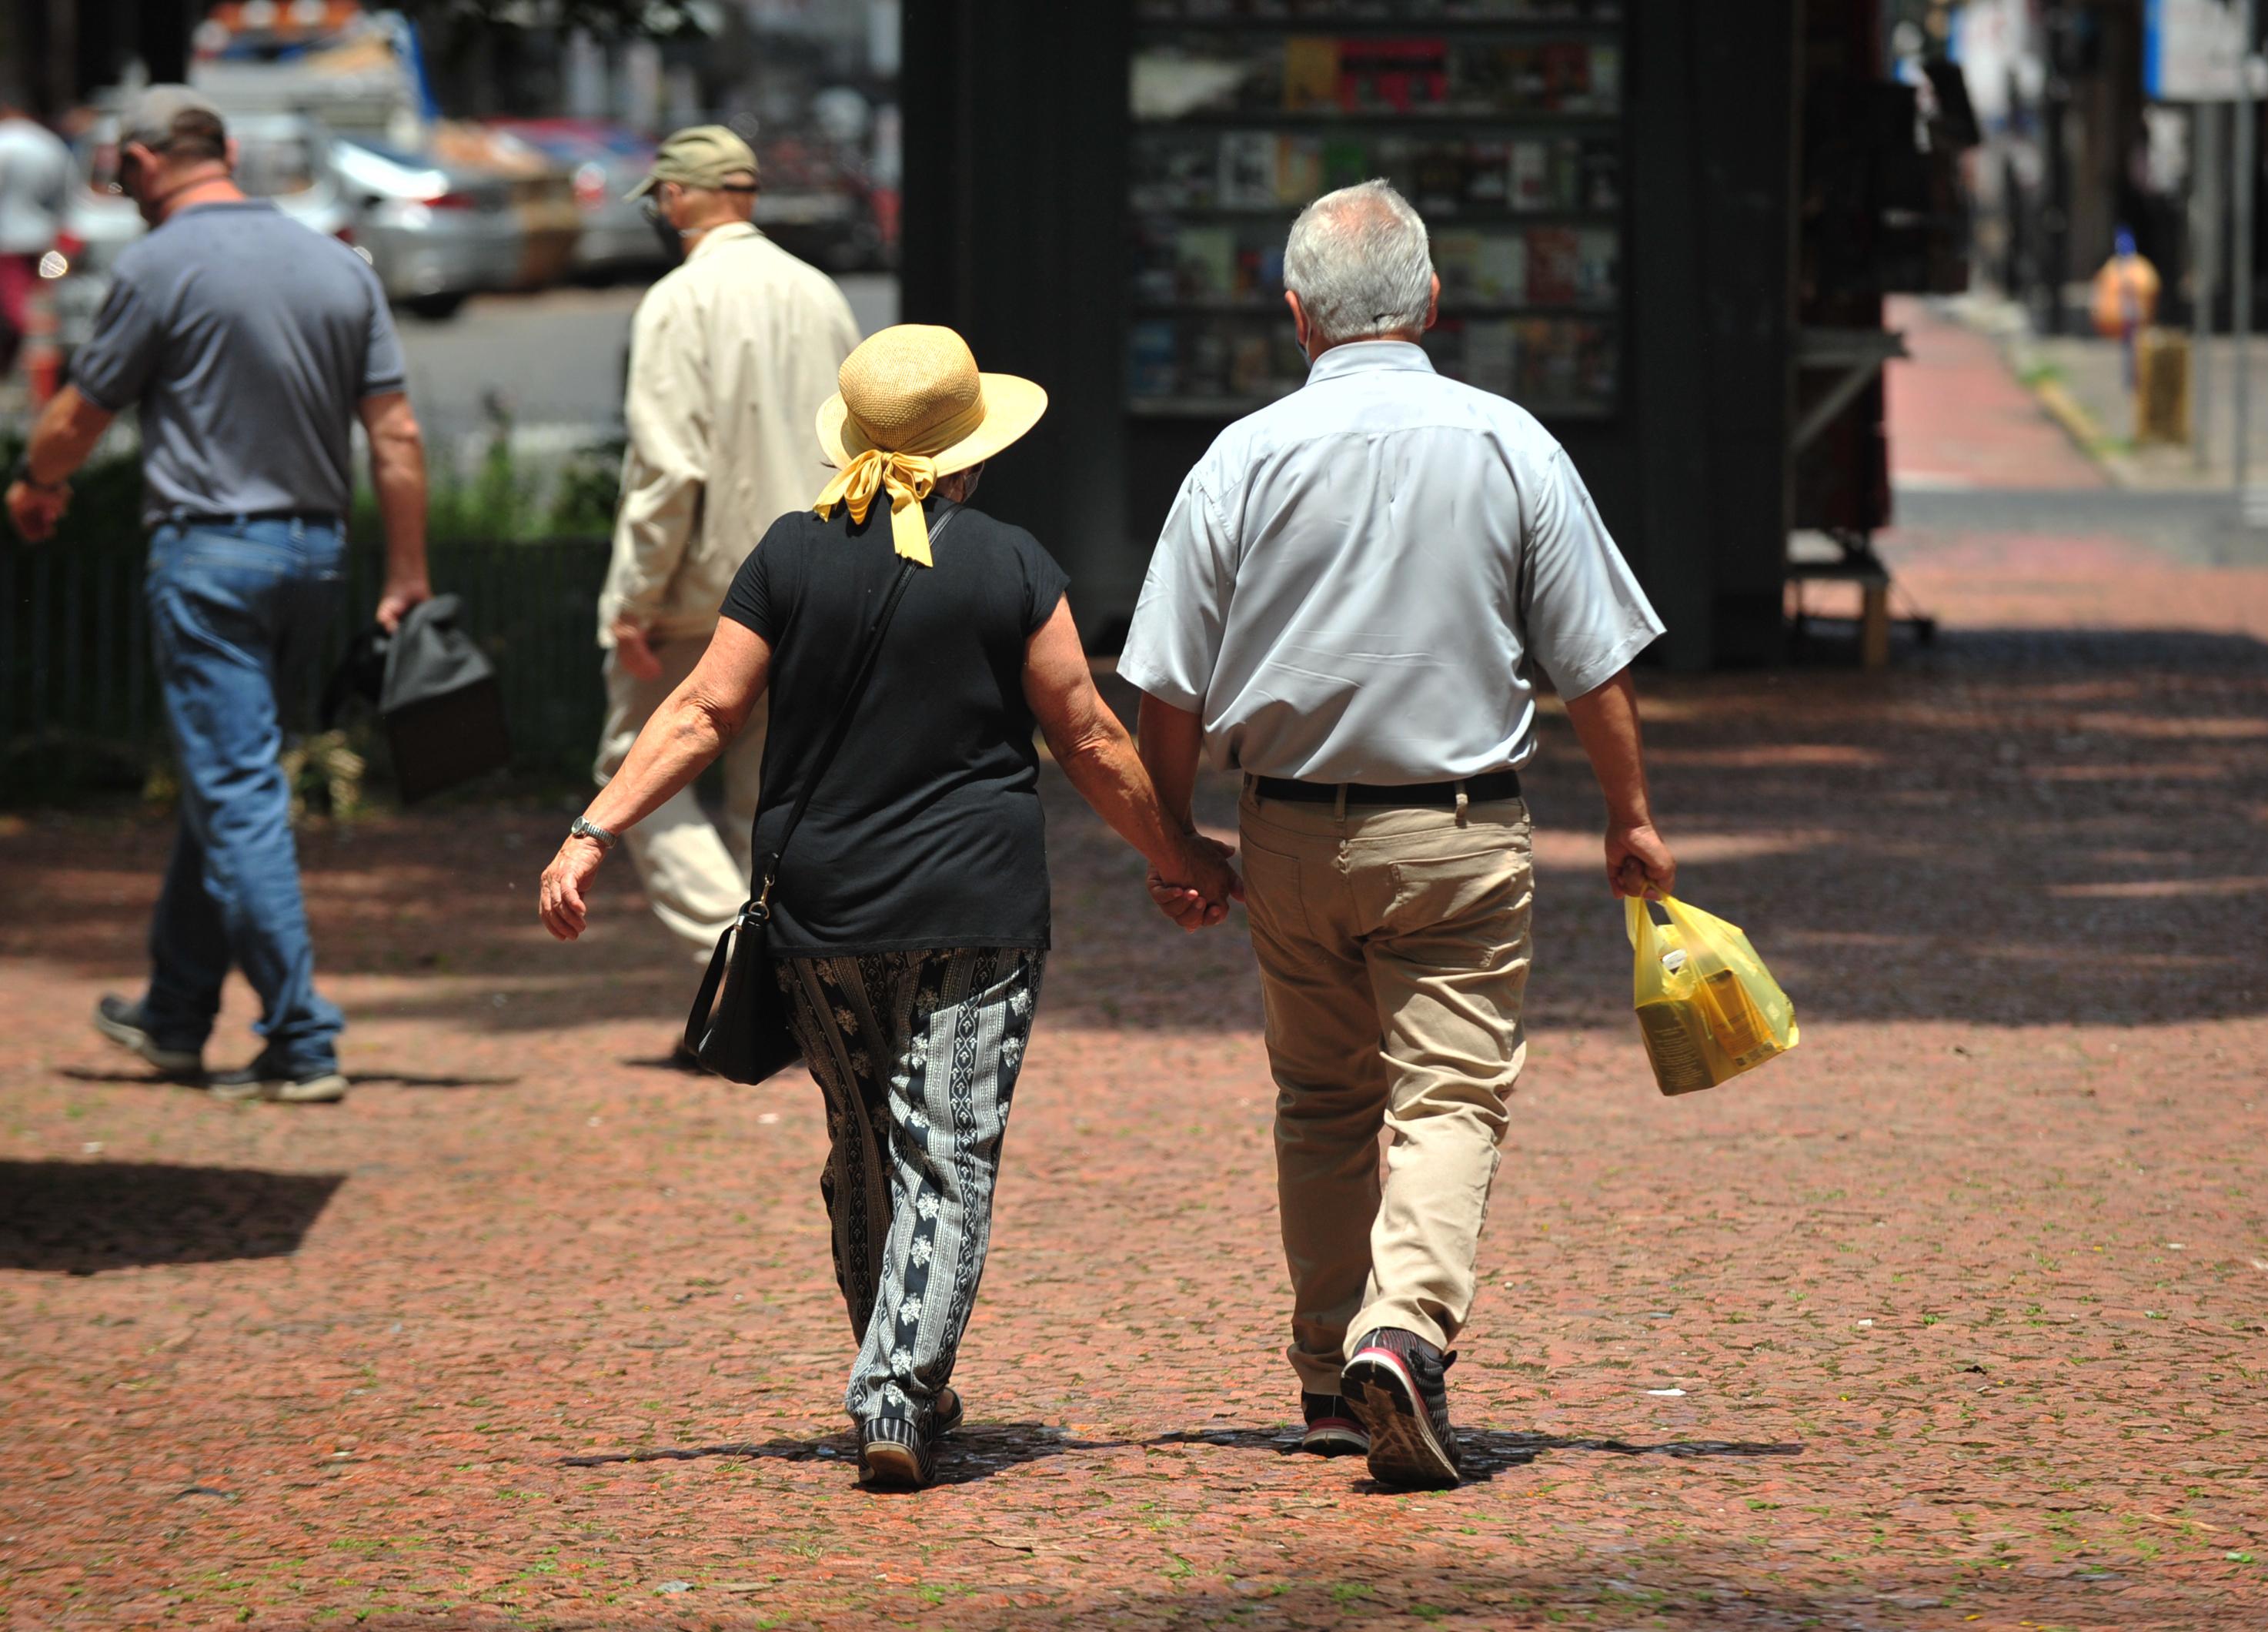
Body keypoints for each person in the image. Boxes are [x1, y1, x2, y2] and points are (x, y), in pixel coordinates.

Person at [536, 324, 1239, 1491]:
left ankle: (898, 1375)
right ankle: (899, 1389)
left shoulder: (787, 554)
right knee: (945, 1153)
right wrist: (1182, 854)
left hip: (822, 913)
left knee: (864, 1153)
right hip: (977, 910)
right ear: (972, 451)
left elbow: (705, 709)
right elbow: (1083, 733)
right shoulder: (1013, 563)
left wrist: (592, 829)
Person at [1118, 180, 1677, 1490]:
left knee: (1320, 1100)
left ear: (1295, 315)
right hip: (1456, 833)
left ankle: (1327, 1377)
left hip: (1287, 832)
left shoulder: (1238, 458)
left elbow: (1166, 691)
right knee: (1450, 1095)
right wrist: (1632, 818)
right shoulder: (1509, 443)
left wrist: (1177, 846)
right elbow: (1592, 663)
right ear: (1430, 302)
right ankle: (1404, 1332)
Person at [4, 86, 430, 1105]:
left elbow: (80, 414)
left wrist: (35, 482)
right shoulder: (337, 262)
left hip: (211, 558)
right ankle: (176, 1011)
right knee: (229, 778)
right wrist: (408, 572)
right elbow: (397, 433)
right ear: (228, 150)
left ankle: (301, 1039)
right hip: (316, 557)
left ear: (143, 164)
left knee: (237, 791)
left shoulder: (159, 264)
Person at [596, 124, 863, 1021]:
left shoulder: (677, 299)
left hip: (704, 587)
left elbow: (667, 468)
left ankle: (741, 963)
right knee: (772, 787)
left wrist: (632, 598)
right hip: (816, 571)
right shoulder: (819, 290)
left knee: (634, 764)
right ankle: (792, 982)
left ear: (677, 196)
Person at [0, 86, 72, 379]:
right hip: (42, 236)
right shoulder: (50, 143)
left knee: (16, 306)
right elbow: (65, 197)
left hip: (7, 240)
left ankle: (26, 367)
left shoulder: (5, 141)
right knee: (38, 303)